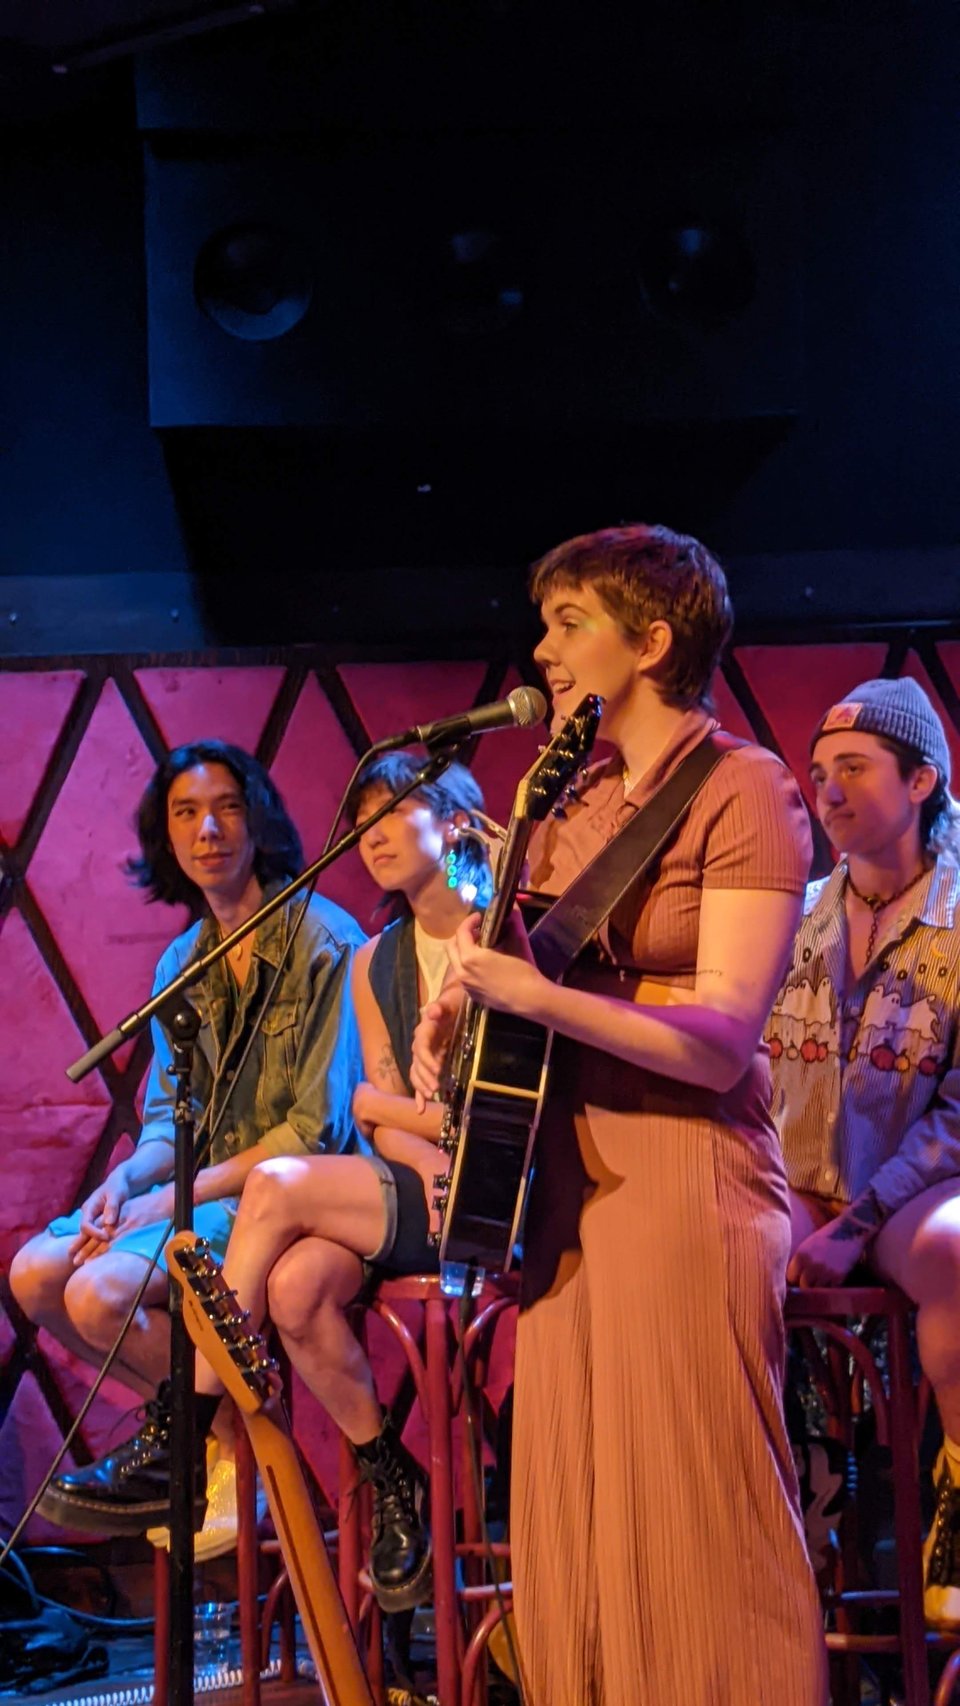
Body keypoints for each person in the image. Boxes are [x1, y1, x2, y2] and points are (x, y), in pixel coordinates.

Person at [411, 524, 829, 1706]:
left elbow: (722, 1037)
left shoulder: (745, 788)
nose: (541, 650)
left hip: (687, 1180)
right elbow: (540, 979)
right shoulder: (567, 795)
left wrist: (533, 993)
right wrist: (462, 1010)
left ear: (650, 641)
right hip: (564, 1188)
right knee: (581, 1515)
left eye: (567, 623)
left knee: (701, 1517)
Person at [29, 750, 495, 1614]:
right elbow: (376, 1111)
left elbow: (350, 1119)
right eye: (363, 820)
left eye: (394, 812)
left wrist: (407, 1117)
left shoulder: (475, 945)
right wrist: (130, 1180)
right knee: (291, 1289)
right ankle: (387, 1472)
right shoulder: (377, 961)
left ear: (456, 823)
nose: (372, 835)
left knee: (271, 1190)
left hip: (404, 1189)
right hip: (382, 1189)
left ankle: (183, 1436)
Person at [11, 739, 366, 1549]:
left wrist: (174, 1198)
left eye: (226, 808)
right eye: (187, 813)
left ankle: (202, 1438)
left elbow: (313, 1131)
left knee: (97, 1296)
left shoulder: (321, 938)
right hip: (202, 1195)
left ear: (258, 820)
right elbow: (172, 1118)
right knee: (35, 1274)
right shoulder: (184, 960)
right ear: (166, 836)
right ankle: (216, 1435)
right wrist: (123, 1183)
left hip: (283, 1199)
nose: (208, 830)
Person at [765, 676, 960, 1627]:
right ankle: (793, 1490)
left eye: (853, 768)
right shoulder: (794, 914)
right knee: (719, 1249)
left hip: (918, 1186)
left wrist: (863, 1218)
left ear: (921, 781)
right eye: (818, 773)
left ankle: (956, 1500)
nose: (828, 791)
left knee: (956, 1254)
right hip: (800, 1176)